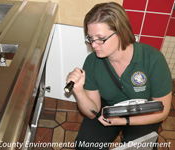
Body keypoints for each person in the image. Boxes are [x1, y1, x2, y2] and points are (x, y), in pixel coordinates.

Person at [66, 2, 172, 150]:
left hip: (143, 112)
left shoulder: (153, 59)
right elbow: (93, 113)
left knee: (141, 148)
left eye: (101, 38)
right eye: (90, 38)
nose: (94, 45)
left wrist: (124, 121)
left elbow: (162, 111)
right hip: (109, 107)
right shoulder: (92, 62)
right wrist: (78, 91)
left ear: (121, 32)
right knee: (85, 146)